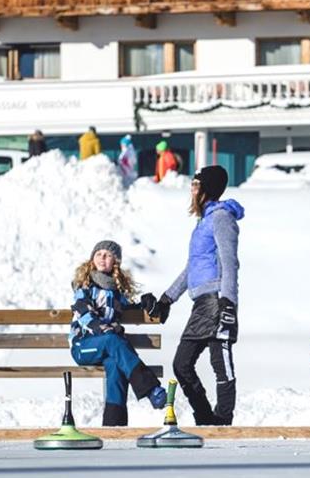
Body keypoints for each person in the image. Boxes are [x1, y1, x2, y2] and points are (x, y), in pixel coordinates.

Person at [148, 166, 244, 425]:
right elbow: (193, 267)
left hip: (217, 299)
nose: (191, 189)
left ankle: (222, 420)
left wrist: (228, 302)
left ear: (206, 189)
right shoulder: (204, 221)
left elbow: (228, 262)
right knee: (182, 364)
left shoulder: (221, 217)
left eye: (195, 184)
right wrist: (168, 297)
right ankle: (205, 418)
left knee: (220, 362)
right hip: (202, 302)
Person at [69, 240, 167, 426]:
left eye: (107, 255)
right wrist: (103, 328)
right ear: (92, 258)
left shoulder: (115, 291)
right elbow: (84, 313)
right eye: (98, 254)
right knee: (113, 341)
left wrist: (145, 304)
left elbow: (130, 308)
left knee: (115, 366)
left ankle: (114, 424)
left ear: (115, 261)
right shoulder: (83, 287)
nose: (102, 258)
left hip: (108, 346)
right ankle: (151, 388)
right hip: (84, 347)